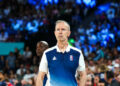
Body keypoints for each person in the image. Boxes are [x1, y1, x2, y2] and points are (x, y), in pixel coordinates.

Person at [36, 20, 86, 86]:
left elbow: (83, 75)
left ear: (68, 33)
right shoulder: (47, 53)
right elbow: (40, 77)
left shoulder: (77, 53)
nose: (60, 32)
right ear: (55, 33)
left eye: (63, 29)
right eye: (58, 30)